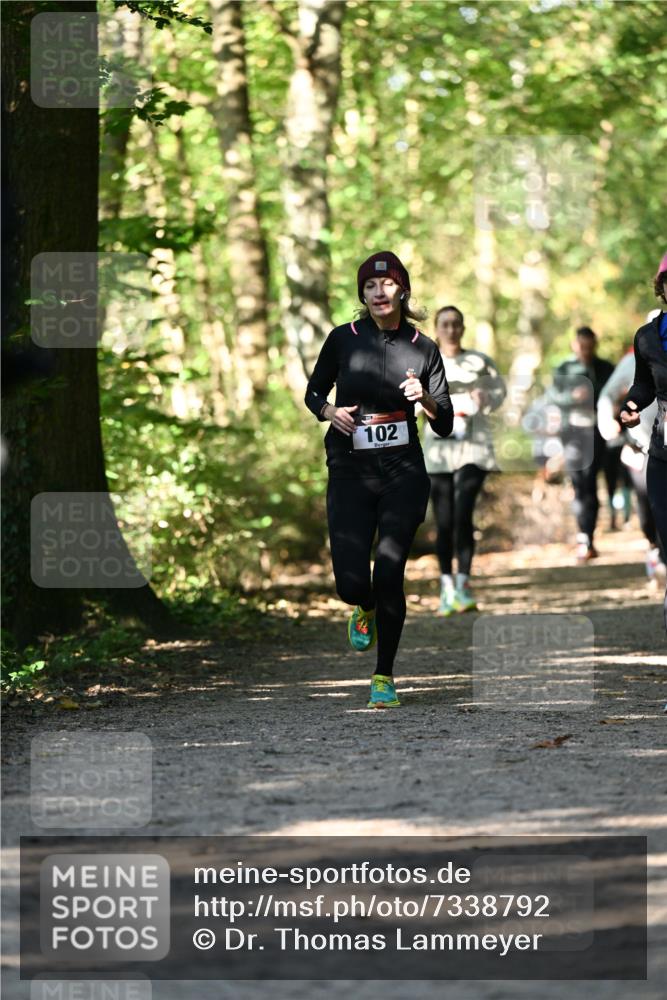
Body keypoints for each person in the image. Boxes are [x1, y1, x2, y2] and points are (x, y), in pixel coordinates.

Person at [305, 252, 453, 708]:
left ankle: (383, 675)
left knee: (390, 572)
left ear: (401, 290)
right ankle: (363, 606)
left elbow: (444, 421)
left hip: (403, 470)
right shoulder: (342, 340)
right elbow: (313, 392)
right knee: (350, 584)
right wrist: (330, 412)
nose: (379, 292)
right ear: (362, 295)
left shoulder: (422, 347)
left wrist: (424, 397)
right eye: (370, 286)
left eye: (387, 285)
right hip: (350, 468)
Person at [421, 306, 506, 615]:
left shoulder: (480, 361)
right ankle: (446, 587)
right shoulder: (425, 359)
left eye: (457, 324)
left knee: (462, 513)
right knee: (444, 521)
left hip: (475, 446)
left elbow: (500, 392)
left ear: (463, 327)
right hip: (439, 449)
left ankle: (464, 584)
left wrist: (487, 399)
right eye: (445, 324)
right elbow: (411, 400)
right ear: (437, 328)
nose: (452, 329)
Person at [620, 253, 667, 630]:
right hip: (663, 452)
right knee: (664, 528)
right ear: (661, 288)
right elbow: (643, 384)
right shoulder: (648, 337)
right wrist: (631, 405)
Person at [598, 343, 665, 580]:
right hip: (641, 447)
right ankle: (654, 548)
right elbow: (608, 394)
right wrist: (607, 421)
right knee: (647, 509)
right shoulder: (633, 360)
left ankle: (663, 557)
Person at [550, 326, 615, 562]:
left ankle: (589, 535)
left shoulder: (606, 367)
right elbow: (554, 397)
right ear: (574, 345)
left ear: (595, 346)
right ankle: (583, 538)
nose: (586, 351)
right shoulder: (564, 369)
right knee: (579, 483)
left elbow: (617, 393)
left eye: (590, 347)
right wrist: (572, 397)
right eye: (582, 346)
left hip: (598, 432)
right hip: (572, 433)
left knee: (591, 482)